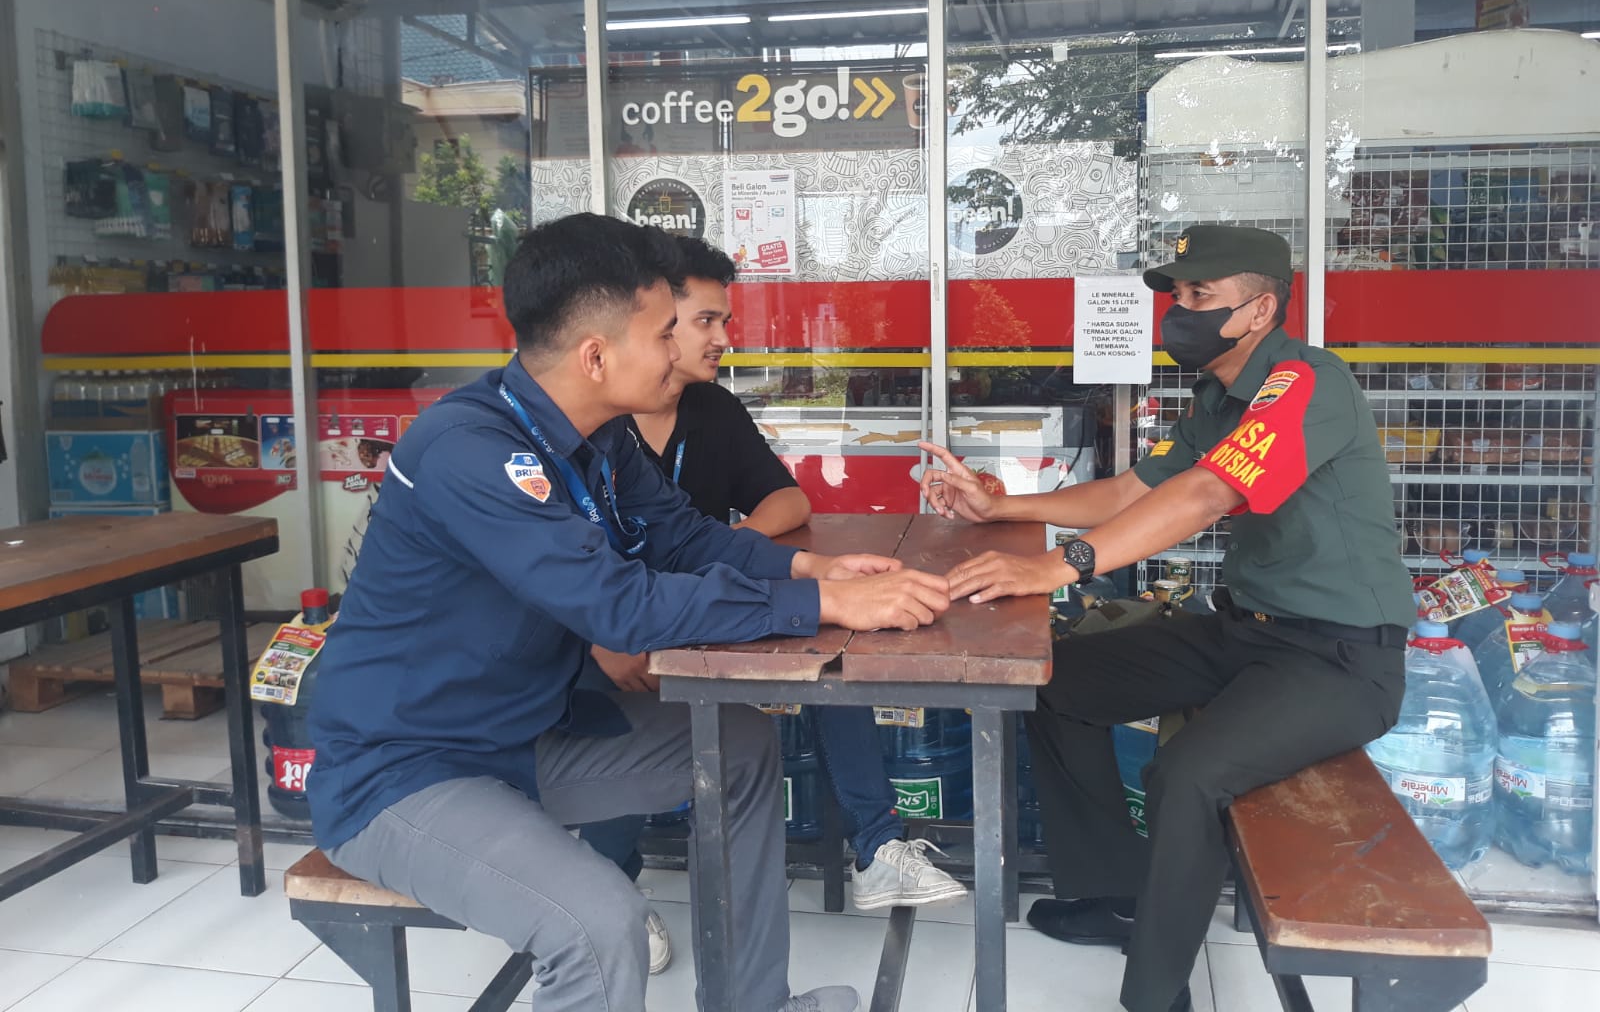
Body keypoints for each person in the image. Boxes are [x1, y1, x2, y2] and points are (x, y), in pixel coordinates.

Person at [308, 212, 951, 1012]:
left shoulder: (600, 437)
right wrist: (822, 602)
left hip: (524, 735)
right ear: (595, 355)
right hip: (405, 769)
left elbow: (682, 535)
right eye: (664, 333)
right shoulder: (469, 450)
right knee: (597, 926)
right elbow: (619, 605)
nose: (680, 350)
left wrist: (809, 566)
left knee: (739, 745)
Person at [916, 224, 1411, 1012]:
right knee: (1054, 685)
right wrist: (1000, 508)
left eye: (1199, 295)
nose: (1179, 311)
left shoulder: (1306, 382)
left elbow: (1209, 494)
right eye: (1176, 295)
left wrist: (1058, 565)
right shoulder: (1217, 399)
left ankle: (1155, 994)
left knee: (1188, 777)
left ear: (1260, 310)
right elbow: (1129, 492)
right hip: (1246, 631)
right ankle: (1119, 896)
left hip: (1341, 659)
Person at [577, 238, 966, 943]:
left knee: (827, 646)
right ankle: (608, 891)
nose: (722, 340)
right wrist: (610, 632)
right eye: (699, 323)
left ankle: (875, 846)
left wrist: (788, 566)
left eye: (721, 322)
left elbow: (766, 508)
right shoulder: (582, 431)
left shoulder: (707, 412)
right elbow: (554, 574)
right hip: (612, 630)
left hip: (693, 607)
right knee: (621, 701)